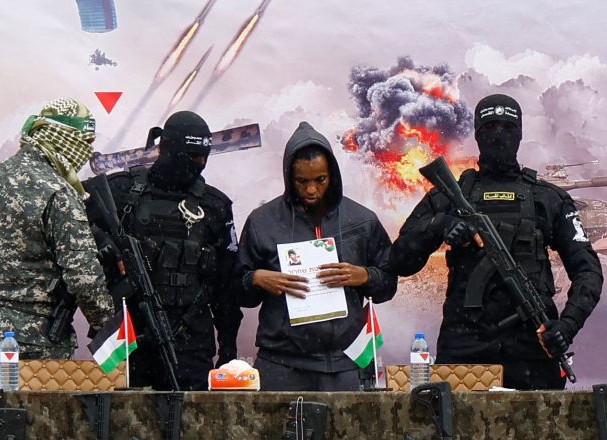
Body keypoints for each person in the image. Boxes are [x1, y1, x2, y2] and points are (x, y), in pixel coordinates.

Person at [389, 94, 603, 389]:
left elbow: (588, 271)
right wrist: (441, 225)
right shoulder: (448, 197)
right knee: (454, 435)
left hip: (532, 347)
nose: (499, 135)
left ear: (520, 133)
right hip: (464, 350)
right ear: (477, 134)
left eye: (507, 126)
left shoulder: (548, 199)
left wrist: (568, 325)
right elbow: (398, 260)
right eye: (490, 126)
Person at [0, 97, 114, 387]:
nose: (86, 151)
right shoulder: (58, 193)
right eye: (84, 140)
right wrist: (112, 339)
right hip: (37, 344)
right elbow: (84, 278)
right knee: (36, 428)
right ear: (64, 137)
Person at [84, 111, 241, 390]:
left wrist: (228, 348)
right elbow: (69, 230)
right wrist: (105, 248)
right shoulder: (121, 191)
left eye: (204, 155)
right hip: (126, 340)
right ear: (168, 149)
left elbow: (226, 286)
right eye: (192, 155)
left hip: (190, 344)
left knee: (187, 425)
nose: (200, 163)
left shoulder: (215, 206)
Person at [236, 121, 397, 391]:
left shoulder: (362, 221)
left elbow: (388, 285)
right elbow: (237, 291)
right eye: (302, 182)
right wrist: (255, 279)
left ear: (332, 175)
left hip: (345, 363)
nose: (311, 190)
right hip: (281, 363)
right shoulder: (262, 221)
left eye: (320, 180)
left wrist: (365, 276)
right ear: (289, 177)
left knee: (343, 435)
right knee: (274, 436)